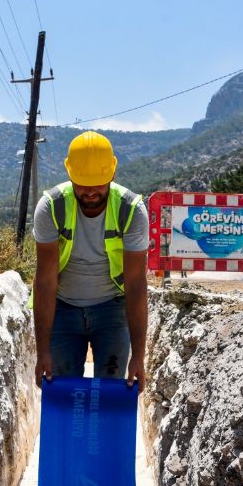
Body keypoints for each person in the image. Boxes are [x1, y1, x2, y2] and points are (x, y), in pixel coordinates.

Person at [32, 131, 149, 389]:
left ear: (113, 174)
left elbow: (136, 284)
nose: (91, 192)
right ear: (70, 174)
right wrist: (42, 351)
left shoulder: (131, 211)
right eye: (83, 184)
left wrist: (139, 356)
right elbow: (45, 281)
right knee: (61, 392)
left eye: (98, 183)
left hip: (112, 309)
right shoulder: (51, 207)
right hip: (62, 309)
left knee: (110, 394)